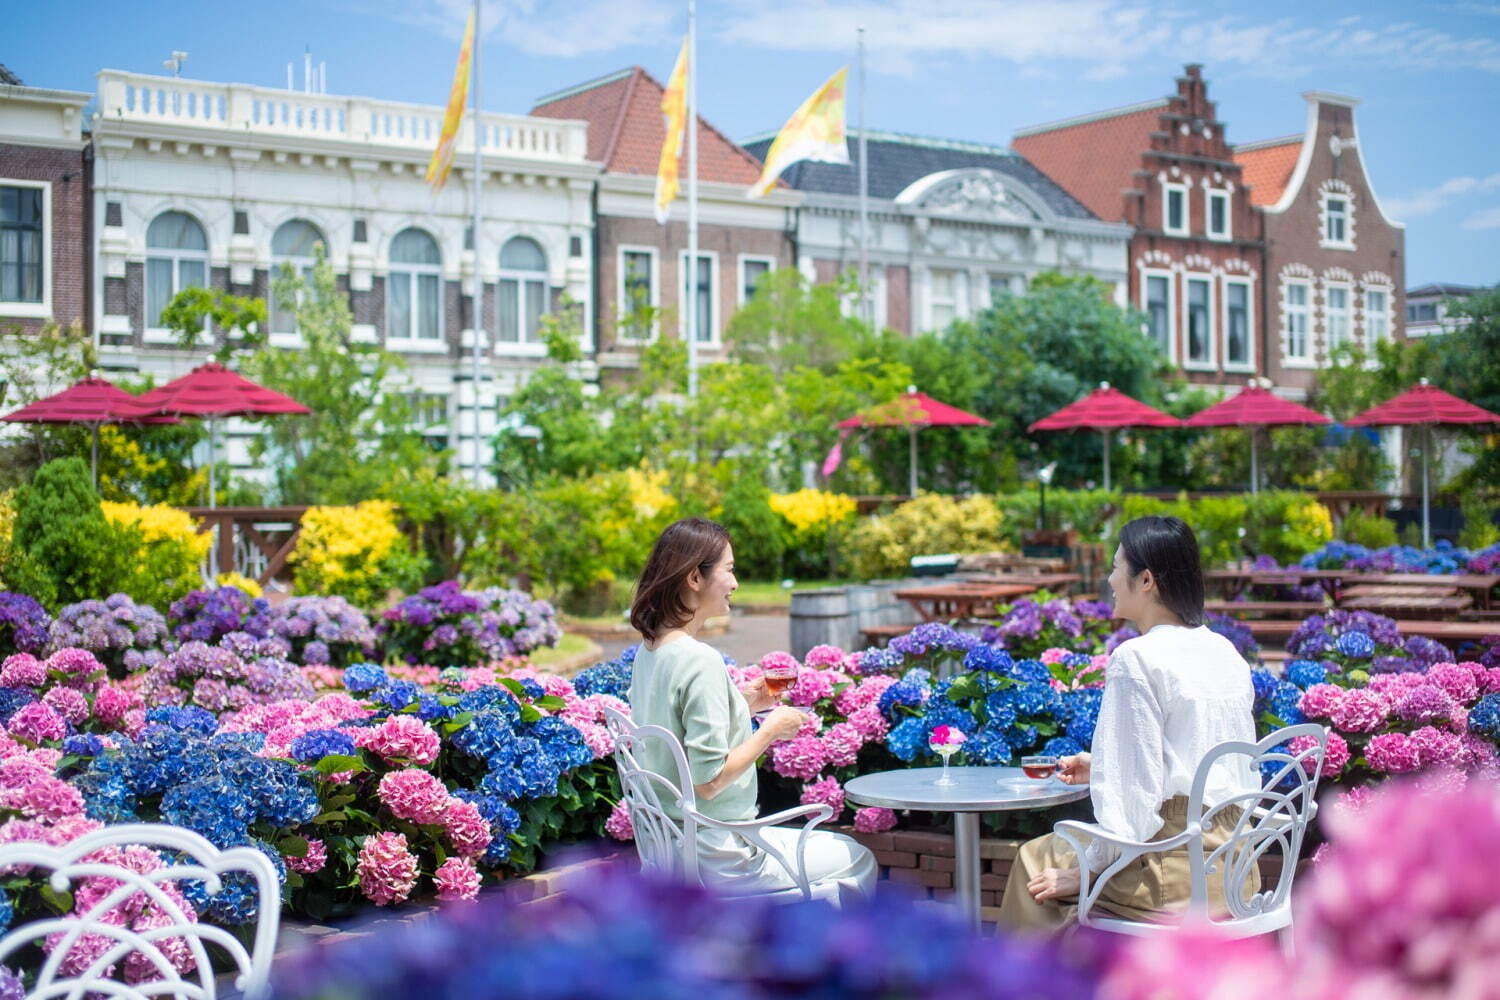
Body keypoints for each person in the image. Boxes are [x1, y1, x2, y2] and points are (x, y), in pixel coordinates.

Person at [998, 515, 1261, 930]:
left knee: (1035, 861)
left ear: (1146, 580)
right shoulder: (1225, 652)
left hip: (1172, 874)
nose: (1109, 579)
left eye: (1117, 567)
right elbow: (1208, 766)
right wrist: (1103, 768)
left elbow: (1132, 810)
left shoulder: (1136, 658)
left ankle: (1017, 970)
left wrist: (1085, 872)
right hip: (1237, 869)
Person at [624, 517, 876, 903]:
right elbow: (708, 781)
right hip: (721, 855)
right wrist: (771, 729)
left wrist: (743, 704)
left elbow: (673, 729)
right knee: (857, 858)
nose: (736, 583)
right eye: (729, 570)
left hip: (672, 848)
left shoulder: (652, 650)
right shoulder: (699, 660)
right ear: (695, 577)